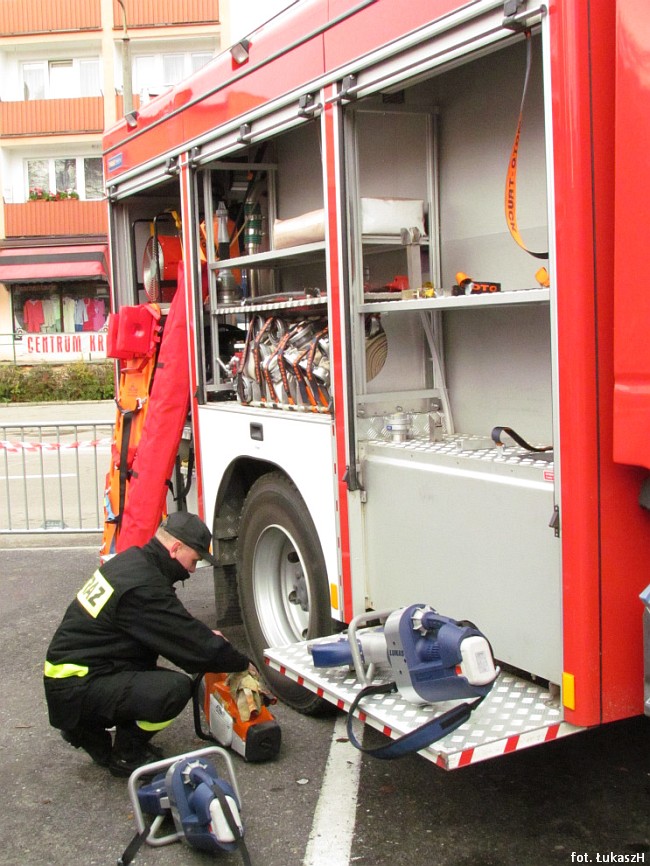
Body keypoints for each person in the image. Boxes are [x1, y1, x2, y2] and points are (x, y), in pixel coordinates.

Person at [43, 512, 252, 777]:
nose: (191, 570)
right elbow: (190, 644)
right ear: (175, 548)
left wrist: (201, 636)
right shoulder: (144, 585)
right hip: (78, 685)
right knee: (173, 690)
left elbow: (171, 625)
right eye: (193, 560)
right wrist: (242, 663)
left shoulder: (132, 562)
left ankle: (84, 729)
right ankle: (127, 756)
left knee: (144, 667)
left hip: (71, 679)